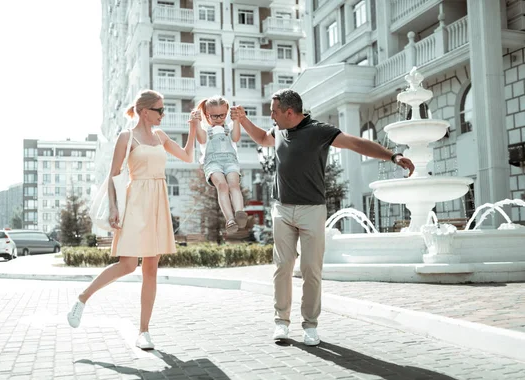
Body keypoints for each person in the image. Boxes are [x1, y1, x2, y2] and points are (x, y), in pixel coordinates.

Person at [230, 89, 415, 346]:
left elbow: (355, 143)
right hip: (282, 208)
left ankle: (310, 325)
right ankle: (281, 322)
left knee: (311, 270)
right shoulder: (279, 130)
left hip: (311, 210)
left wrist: (392, 156)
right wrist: (242, 120)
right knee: (282, 267)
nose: (270, 116)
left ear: (290, 112)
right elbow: (262, 138)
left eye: (274, 111)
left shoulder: (319, 131)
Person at [67, 89, 198, 350]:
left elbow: (187, 156)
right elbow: (114, 174)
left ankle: (144, 331)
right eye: (160, 110)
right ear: (145, 111)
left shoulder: (160, 136)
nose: (163, 114)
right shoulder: (126, 137)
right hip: (136, 200)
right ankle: (83, 297)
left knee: (151, 269)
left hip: (158, 200)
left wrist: (193, 129)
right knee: (127, 265)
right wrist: (115, 207)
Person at [193, 95, 248, 234]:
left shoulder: (229, 127)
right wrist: (197, 123)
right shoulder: (206, 130)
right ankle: (230, 219)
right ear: (207, 115)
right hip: (213, 162)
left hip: (230, 161)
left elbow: (235, 138)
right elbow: (201, 139)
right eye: (214, 116)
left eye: (222, 115)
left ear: (227, 113)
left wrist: (236, 120)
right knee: (222, 186)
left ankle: (239, 212)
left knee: (233, 184)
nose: (218, 119)